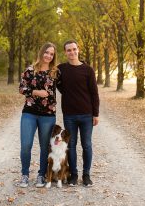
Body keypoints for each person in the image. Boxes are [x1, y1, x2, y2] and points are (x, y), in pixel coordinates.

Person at [57, 39, 99, 187]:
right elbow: (59, 85)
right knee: (71, 145)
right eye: (69, 50)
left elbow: (94, 93)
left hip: (87, 115)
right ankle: (73, 175)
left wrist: (96, 114)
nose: (72, 52)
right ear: (65, 52)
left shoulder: (88, 70)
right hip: (69, 115)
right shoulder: (61, 69)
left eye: (74, 49)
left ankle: (86, 175)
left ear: (78, 50)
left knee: (86, 145)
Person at [18, 42, 59, 188]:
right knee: (26, 145)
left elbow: (69, 86)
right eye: (46, 52)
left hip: (48, 114)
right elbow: (22, 88)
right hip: (29, 112)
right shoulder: (30, 70)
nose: (48, 55)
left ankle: (41, 175)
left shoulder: (55, 72)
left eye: (51, 54)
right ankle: (24, 175)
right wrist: (36, 92)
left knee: (44, 146)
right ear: (41, 52)